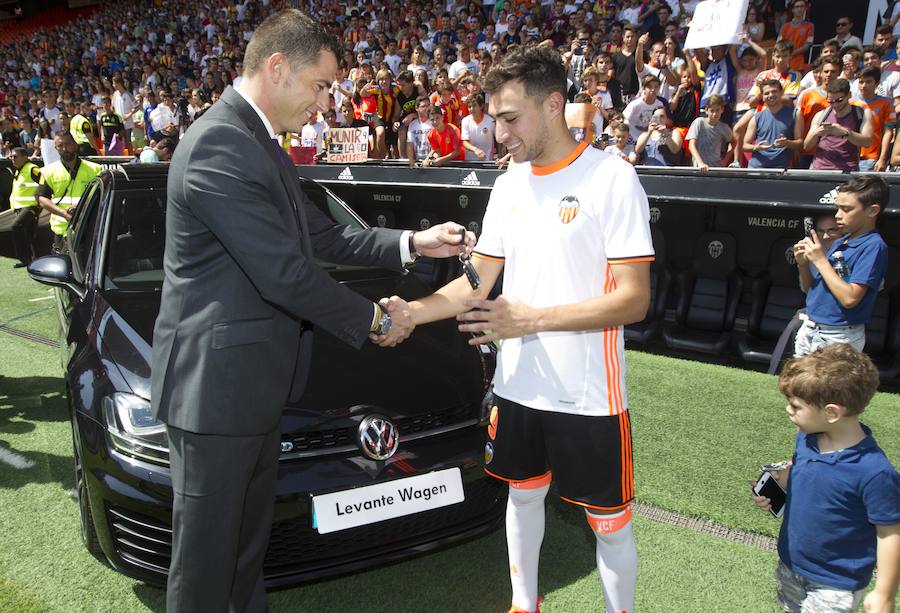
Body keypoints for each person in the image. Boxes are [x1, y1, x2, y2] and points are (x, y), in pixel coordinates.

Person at [150, 10, 475, 612]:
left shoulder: (255, 141)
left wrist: (412, 242)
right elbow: (284, 273)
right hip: (215, 395)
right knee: (206, 564)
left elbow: (320, 238)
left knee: (244, 553)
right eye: (320, 85)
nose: (326, 102)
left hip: (249, 388)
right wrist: (378, 320)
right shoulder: (221, 142)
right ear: (277, 67)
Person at [375, 44, 653, 613]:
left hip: (589, 395)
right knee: (522, 497)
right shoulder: (507, 185)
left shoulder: (612, 179)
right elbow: (476, 283)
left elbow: (634, 300)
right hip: (519, 384)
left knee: (609, 525)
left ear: (553, 105)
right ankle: (524, 604)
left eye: (509, 118)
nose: (498, 134)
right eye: (495, 119)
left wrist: (530, 318)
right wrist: (413, 311)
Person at [752, 344, 900, 613]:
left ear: (832, 412)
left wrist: (884, 593)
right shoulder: (807, 439)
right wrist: (781, 482)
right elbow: (801, 468)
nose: (788, 410)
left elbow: (891, 533)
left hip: (836, 583)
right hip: (791, 564)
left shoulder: (874, 472)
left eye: (796, 405)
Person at [792, 175, 888, 356]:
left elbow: (850, 298)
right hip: (811, 326)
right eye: (837, 208)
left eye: (846, 209)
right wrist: (803, 265)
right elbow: (810, 290)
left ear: (872, 211)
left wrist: (820, 261)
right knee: (798, 384)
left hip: (837, 335)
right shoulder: (841, 242)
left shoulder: (873, 246)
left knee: (827, 385)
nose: (838, 215)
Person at [35, 131, 103, 253]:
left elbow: (102, 195)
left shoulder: (95, 169)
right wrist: (64, 214)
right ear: (55, 148)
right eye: (60, 146)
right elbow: (41, 198)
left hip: (89, 227)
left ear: (75, 145)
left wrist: (81, 207)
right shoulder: (49, 171)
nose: (65, 149)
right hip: (61, 230)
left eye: (68, 144)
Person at [804, 78, 873, 172]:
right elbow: (807, 146)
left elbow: (867, 142)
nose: (835, 105)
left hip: (847, 170)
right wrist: (816, 133)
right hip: (819, 169)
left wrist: (845, 133)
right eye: (831, 101)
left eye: (839, 100)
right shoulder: (821, 115)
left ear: (849, 95)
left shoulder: (862, 113)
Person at [744, 79, 803, 169]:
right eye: (766, 93)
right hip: (757, 168)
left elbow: (800, 143)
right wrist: (756, 147)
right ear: (762, 97)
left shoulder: (795, 114)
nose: (771, 95)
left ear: (781, 93)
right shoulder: (756, 117)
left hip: (781, 169)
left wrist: (787, 143)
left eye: (774, 91)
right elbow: (744, 145)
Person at [857, 67, 895, 172]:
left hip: (872, 157)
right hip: (849, 156)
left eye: (868, 82)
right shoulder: (850, 102)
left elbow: (888, 132)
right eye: (861, 82)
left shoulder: (886, 103)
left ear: (877, 83)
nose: (864, 86)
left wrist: (882, 159)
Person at [9, 147, 42, 268]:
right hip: (20, 208)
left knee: (16, 226)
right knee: (29, 235)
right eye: (11, 157)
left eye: (15, 156)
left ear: (24, 157)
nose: (12, 159)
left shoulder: (32, 169)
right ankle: (32, 260)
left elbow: (44, 182)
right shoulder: (18, 171)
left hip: (30, 207)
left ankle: (24, 258)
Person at [686, 95, 733, 170]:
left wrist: (725, 160)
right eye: (712, 110)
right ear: (706, 110)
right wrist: (700, 163)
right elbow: (691, 145)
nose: (714, 114)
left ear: (722, 110)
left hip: (716, 168)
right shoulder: (699, 122)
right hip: (699, 168)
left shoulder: (724, 127)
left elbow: (734, 142)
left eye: (717, 110)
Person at [778, 0, 814, 72]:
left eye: (802, 6)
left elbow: (807, 46)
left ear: (805, 9)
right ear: (793, 10)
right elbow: (779, 43)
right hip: (784, 62)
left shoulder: (810, 26)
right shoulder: (785, 26)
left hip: (798, 64)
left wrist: (791, 53)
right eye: (797, 7)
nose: (799, 9)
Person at [460, 93, 495, 161]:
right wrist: (476, 150)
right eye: (469, 106)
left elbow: (499, 140)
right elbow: (465, 142)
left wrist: (501, 154)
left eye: (474, 106)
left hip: (487, 161)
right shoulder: (465, 121)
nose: (471, 109)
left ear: (481, 106)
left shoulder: (490, 121)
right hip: (470, 161)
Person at [406, 95, 433, 166]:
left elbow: (437, 146)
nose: (426, 108)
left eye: (428, 105)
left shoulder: (434, 122)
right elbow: (409, 144)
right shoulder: (412, 124)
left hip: (431, 160)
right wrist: (411, 162)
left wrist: (428, 159)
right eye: (423, 106)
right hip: (418, 161)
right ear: (417, 108)